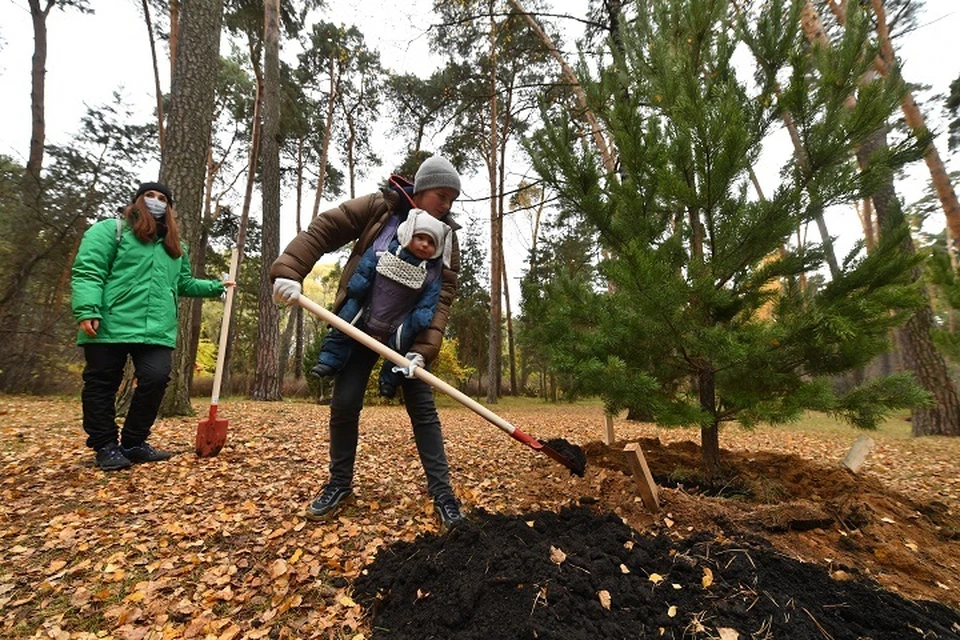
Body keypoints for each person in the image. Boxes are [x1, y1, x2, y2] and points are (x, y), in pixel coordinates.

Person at [270, 155, 465, 530]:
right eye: (442, 195)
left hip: (405, 338)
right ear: (422, 189)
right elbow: (325, 229)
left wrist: (423, 351)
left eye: (452, 200)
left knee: (424, 412)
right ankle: (339, 484)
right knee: (344, 404)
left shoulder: (447, 237)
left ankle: (443, 495)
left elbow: (442, 296)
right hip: (359, 327)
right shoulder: (381, 208)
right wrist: (290, 270)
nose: (447, 205)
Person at [71, 181, 233, 471]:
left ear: (169, 208)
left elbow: (182, 283)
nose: (156, 201)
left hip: (155, 328)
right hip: (109, 322)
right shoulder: (112, 230)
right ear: (137, 200)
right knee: (102, 383)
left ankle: (133, 442)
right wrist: (87, 309)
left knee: (156, 378)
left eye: (162, 199)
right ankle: (105, 445)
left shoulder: (175, 247)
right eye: (150, 196)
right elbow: (88, 270)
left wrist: (216, 287)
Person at [309, 209, 452, 399]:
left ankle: (389, 382)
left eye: (431, 242)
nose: (425, 244)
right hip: (367, 308)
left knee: (401, 345)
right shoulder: (386, 248)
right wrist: (358, 283)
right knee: (345, 322)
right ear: (408, 234)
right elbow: (367, 263)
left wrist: (422, 315)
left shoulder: (432, 273)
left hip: (398, 321)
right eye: (420, 237)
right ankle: (329, 360)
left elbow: (431, 297)